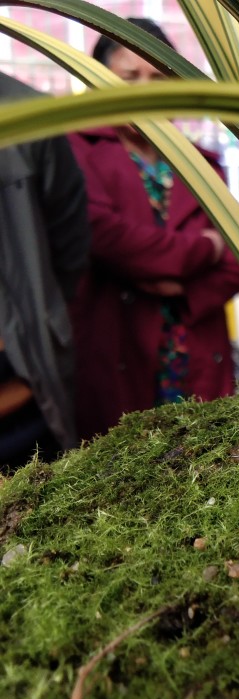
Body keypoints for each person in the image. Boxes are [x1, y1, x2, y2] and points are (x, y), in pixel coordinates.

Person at [68, 18, 239, 440]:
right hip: (113, 346)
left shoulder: (204, 164)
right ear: (97, 80)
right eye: (129, 76)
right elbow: (105, 236)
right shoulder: (73, 150)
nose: (144, 90)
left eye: (157, 77)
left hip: (196, 348)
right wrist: (205, 249)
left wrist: (181, 289)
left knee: (203, 467)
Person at [0, 72, 91, 471]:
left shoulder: (30, 114)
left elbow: (69, 241)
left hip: (19, 372)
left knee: (28, 501)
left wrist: (38, 310)